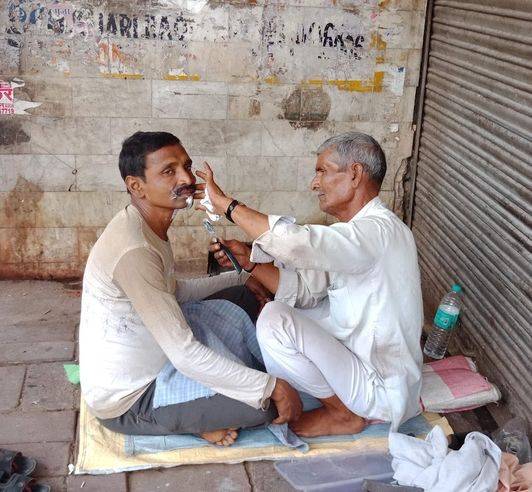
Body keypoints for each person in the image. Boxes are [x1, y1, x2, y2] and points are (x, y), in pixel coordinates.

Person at [79, 131, 303, 446]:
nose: (185, 178)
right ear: (136, 186)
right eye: (168, 171)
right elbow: (184, 354)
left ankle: (203, 410)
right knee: (266, 408)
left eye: (187, 166)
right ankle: (192, 422)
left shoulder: (146, 226)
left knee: (242, 295)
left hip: (161, 355)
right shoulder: (135, 250)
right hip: (131, 399)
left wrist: (243, 277)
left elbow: (175, 291)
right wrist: (272, 388)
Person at [197, 132, 423, 438]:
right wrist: (251, 262)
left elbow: (298, 244)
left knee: (274, 320)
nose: (314, 184)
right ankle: (334, 401)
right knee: (290, 308)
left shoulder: (377, 231)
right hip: (359, 358)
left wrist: (225, 205)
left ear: (355, 174)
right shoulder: (358, 233)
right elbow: (304, 290)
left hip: (381, 388)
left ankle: (342, 413)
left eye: (322, 171)